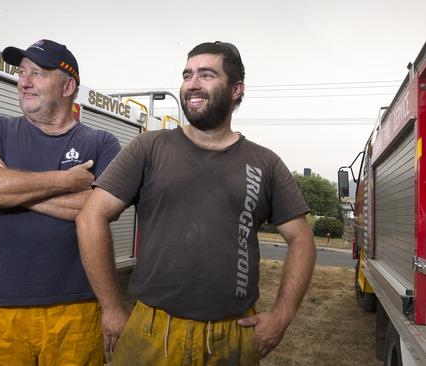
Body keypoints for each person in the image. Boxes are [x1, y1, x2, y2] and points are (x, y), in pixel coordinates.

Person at [76, 41, 316, 365]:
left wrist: (282, 316)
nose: (192, 84)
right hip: (150, 329)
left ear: (236, 89)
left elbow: (301, 238)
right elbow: (92, 216)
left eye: (206, 75)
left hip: (232, 335)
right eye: (187, 75)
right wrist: (111, 306)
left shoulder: (266, 163)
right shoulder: (149, 148)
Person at [0, 39, 121, 365]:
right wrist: (66, 181)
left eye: (38, 73)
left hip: (77, 308)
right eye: (21, 73)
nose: (24, 82)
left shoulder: (102, 142)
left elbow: (103, 210)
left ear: (68, 85)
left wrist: (9, 188)